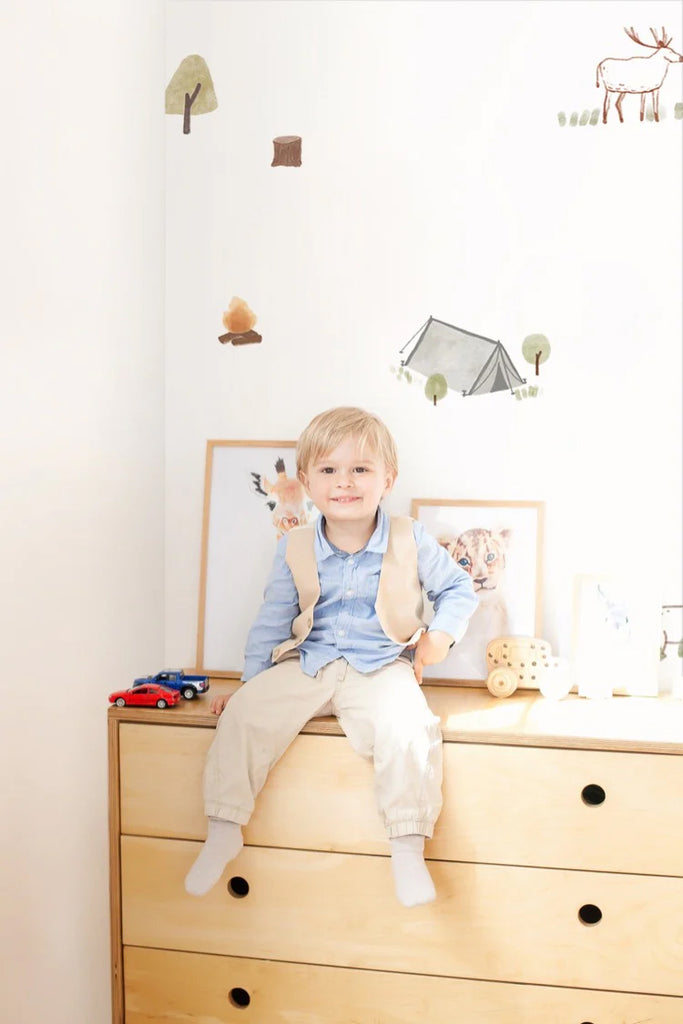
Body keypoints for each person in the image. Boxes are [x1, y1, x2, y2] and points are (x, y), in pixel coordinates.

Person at [185, 407, 477, 906]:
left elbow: (458, 590)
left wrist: (439, 638)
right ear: (306, 481)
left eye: (360, 469)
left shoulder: (410, 537)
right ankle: (224, 826)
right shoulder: (295, 545)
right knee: (246, 718)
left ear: (388, 479)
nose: (345, 482)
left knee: (408, 729)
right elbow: (273, 618)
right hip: (309, 661)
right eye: (328, 470)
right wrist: (249, 683)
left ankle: (407, 846)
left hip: (383, 665)